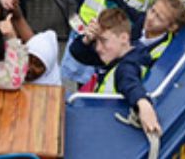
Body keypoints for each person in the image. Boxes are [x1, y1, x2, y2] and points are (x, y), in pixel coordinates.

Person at [69, 8, 164, 136]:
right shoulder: (118, 51)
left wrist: (143, 103)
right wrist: (86, 39)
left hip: (107, 127)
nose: (98, 48)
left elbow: (129, 81)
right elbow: (78, 52)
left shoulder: (126, 65)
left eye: (103, 41)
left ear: (124, 38)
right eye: (96, 41)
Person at [0, 0, 61, 86]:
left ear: (49, 67)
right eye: (27, 58)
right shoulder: (33, 46)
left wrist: (11, 37)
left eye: (38, 65)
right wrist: (11, 3)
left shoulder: (51, 88)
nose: (29, 68)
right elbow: (18, 18)